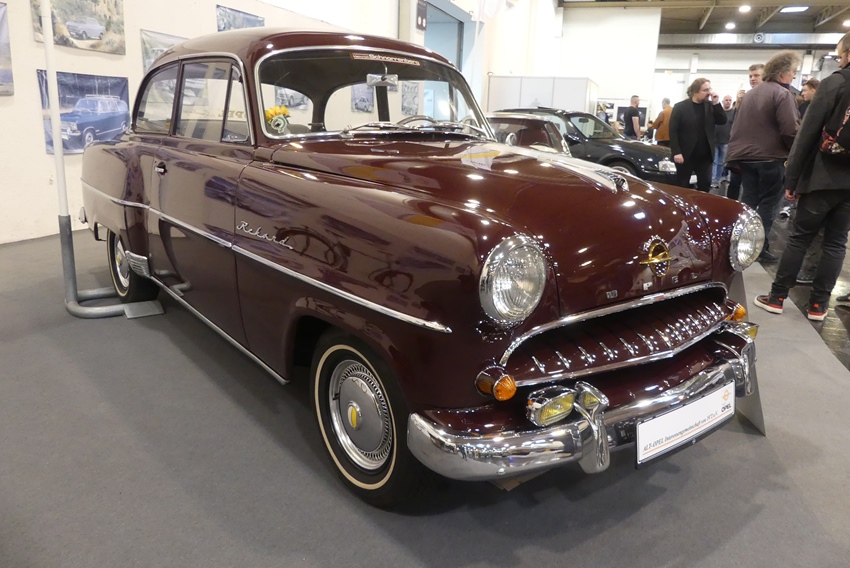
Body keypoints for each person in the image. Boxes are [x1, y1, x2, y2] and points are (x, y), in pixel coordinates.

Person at [754, 32, 850, 321]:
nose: (838, 59)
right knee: (836, 244)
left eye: (840, 54)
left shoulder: (835, 82)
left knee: (799, 238)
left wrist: (792, 178)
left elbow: (807, 134)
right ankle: (819, 306)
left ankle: (777, 297)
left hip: (822, 177)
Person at [726, 51, 801, 262]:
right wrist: (797, 153)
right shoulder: (782, 94)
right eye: (793, 71)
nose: (794, 76)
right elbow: (790, 130)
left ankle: (739, 244)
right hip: (771, 158)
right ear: (783, 72)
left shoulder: (750, 95)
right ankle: (759, 248)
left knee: (748, 201)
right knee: (769, 204)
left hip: (745, 158)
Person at [668, 78, 727, 192]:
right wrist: (676, 152)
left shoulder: (710, 106)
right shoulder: (680, 107)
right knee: (682, 185)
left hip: (705, 156)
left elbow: (722, 120)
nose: (709, 93)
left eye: (709, 89)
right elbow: (673, 130)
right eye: (705, 90)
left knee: (705, 185)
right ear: (695, 91)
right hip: (685, 155)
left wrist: (716, 103)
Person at [727, 63, 765, 201]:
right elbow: (735, 122)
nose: (752, 79)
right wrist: (738, 104)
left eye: (756, 75)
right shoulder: (746, 97)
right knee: (736, 183)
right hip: (742, 150)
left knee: (755, 190)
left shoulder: (770, 96)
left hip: (761, 152)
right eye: (750, 76)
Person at [712, 94, 734, 187]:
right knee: (714, 162)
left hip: (726, 141)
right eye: (726, 100)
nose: (728, 102)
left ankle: (718, 179)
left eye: (729, 100)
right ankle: (713, 180)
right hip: (715, 140)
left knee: (721, 162)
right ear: (723, 101)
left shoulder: (733, 113)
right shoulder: (718, 111)